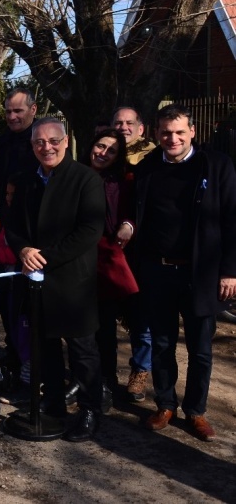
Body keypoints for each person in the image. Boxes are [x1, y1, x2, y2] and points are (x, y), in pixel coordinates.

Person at [132, 103, 236, 441]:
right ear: (157, 133)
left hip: (202, 274)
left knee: (201, 348)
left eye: (179, 132)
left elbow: (232, 221)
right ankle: (165, 404)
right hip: (159, 272)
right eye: (166, 132)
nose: (172, 138)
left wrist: (229, 271)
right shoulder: (148, 168)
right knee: (162, 343)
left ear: (193, 132)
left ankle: (196, 411)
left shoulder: (217, 166)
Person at [5, 117, 106, 442]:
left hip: (72, 283)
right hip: (36, 284)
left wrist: (43, 256)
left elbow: (90, 231)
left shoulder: (85, 179)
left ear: (64, 142)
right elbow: (13, 225)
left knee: (82, 350)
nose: (45, 147)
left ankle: (91, 410)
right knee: (44, 348)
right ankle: (53, 404)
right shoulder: (26, 181)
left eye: (52, 141)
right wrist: (22, 251)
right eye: (39, 142)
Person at [81, 129, 143, 408]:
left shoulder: (124, 181)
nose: (103, 153)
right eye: (100, 146)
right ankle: (83, 380)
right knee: (80, 326)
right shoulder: (74, 174)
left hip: (106, 257)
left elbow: (135, 212)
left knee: (105, 325)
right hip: (77, 258)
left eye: (111, 150)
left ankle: (105, 381)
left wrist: (128, 224)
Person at [0, 87, 39, 214]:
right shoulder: (1, 141)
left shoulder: (46, 142)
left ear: (33, 109)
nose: (12, 117)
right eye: (8, 112)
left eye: (18, 111)